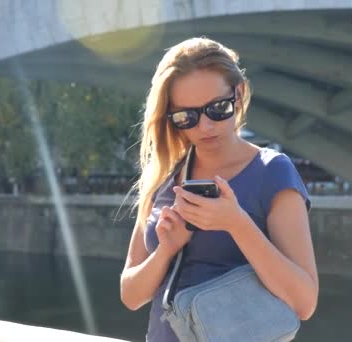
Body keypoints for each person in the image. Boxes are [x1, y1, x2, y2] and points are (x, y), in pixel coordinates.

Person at [120, 37, 319, 341]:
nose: (205, 127)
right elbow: (131, 295)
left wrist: (236, 223)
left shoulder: (273, 171)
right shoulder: (163, 178)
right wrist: (167, 250)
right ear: (171, 117)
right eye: (187, 116)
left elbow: (304, 303)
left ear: (238, 94)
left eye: (217, 108)